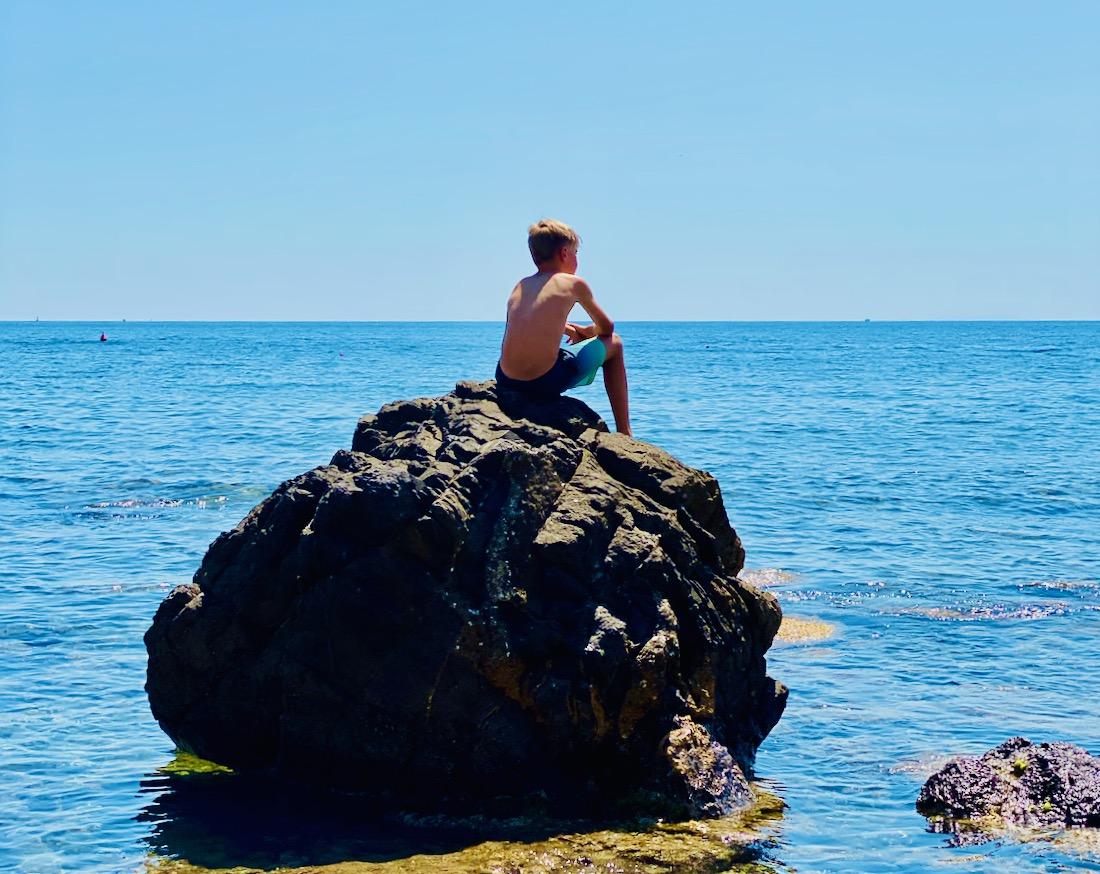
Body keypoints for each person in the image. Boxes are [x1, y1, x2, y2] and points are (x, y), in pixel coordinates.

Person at [496, 219, 632, 436]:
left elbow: (532, 323)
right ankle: (625, 431)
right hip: (543, 383)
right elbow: (607, 327)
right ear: (564, 253)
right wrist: (589, 332)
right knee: (615, 343)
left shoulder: (521, 285)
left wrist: (568, 329)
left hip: (506, 379)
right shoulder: (573, 283)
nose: (576, 258)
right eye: (576, 252)